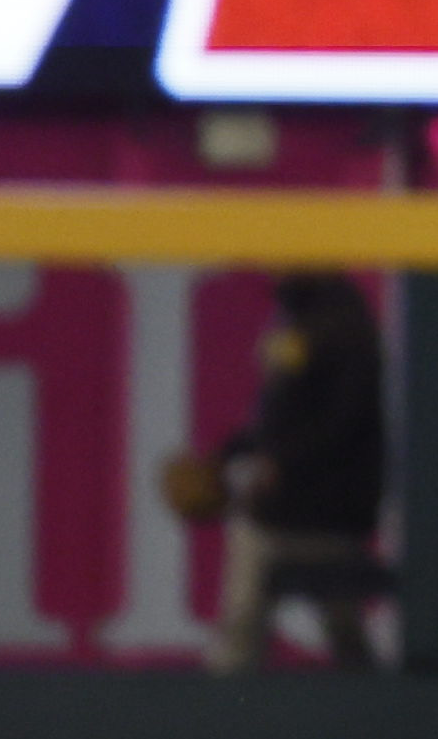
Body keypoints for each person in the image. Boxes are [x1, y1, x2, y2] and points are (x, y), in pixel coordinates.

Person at [162, 274, 387, 670]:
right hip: (305, 505)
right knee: (339, 627)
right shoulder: (299, 315)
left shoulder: (341, 324)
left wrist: (281, 462)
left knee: (256, 568)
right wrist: (224, 456)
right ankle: (369, 702)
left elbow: (343, 425)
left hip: (329, 508)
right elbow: (275, 424)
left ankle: (230, 695)